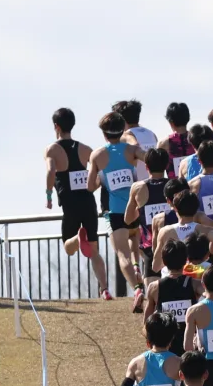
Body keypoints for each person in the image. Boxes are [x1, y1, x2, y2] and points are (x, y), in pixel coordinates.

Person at [47, 108, 113, 300]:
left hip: (70, 205)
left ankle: (77, 238)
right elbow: (101, 172)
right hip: (88, 202)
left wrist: (48, 195)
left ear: (56, 126)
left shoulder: (52, 149)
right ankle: (105, 288)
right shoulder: (86, 149)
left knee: (68, 248)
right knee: (94, 249)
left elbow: (51, 172)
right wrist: (95, 185)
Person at [92, 111, 147, 298]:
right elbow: (149, 158)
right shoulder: (131, 150)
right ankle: (139, 269)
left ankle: (137, 289)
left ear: (103, 133)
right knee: (136, 243)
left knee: (122, 254)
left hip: (115, 211)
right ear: (122, 129)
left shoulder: (98, 155)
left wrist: (102, 177)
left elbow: (90, 186)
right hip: (136, 208)